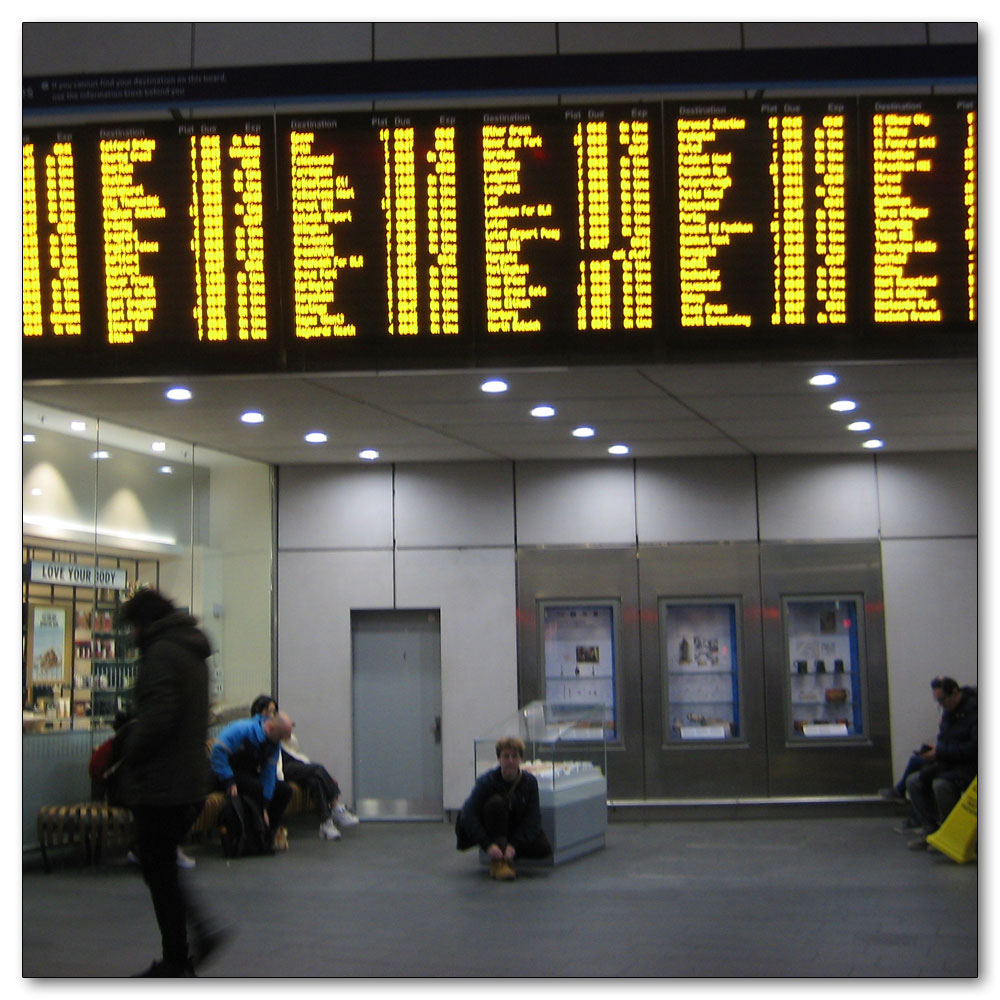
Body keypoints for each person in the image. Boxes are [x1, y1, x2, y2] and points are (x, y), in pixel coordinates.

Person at [115, 586, 227, 977]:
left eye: (132, 628)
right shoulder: (191, 650)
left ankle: (184, 953)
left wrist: (130, 743)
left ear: (145, 622)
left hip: (163, 783)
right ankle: (185, 950)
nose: (131, 636)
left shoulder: (162, 652)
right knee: (159, 868)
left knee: (158, 870)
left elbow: (160, 716)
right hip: (187, 779)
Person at [249, 695, 359, 840]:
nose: (274, 715)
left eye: (275, 711)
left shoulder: (275, 727)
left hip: (286, 759)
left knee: (314, 780)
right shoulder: (257, 727)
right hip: (279, 767)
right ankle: (335, 804)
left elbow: (291, 744)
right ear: (261, 711)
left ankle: (326, 823)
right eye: (271, 711)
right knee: (317, 769)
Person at [455, 735, 552, 880]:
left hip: (511, 827)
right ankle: (499, 861)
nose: (510, 761)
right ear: (499, 758)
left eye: (514, 756)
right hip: (491, 827)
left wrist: (514, 845)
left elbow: (533, 818)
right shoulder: (486, 781)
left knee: (543, 847)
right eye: (506, 756)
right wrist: (487, 844)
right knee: (497, 803)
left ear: (520, 758)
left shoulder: (530, 782)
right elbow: (468, 814)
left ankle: (506, 854)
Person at [904, 676, 978, 850]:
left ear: (955, 693)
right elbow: (945, 738)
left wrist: (941, 752)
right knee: (913, 782)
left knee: (941, 785)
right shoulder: (949, 711)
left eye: (942, 700)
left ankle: (950, 834)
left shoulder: (976, 712)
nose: (941, 705)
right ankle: (931, 830)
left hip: (970, 765)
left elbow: (974, 749)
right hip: (951, 761)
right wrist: (937, 751)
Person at [210, 704, 295, 849]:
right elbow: (217, 754)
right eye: (281, 737)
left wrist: (266, 804)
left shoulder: (274, 743)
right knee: (255, 788)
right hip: (224, 772)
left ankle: (267, 834)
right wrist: (228, 780)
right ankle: (250, 835)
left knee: (284, 790)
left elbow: (269, 773)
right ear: (270, 728)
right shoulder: (241, 729)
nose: (281, 741)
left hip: (246, 773)